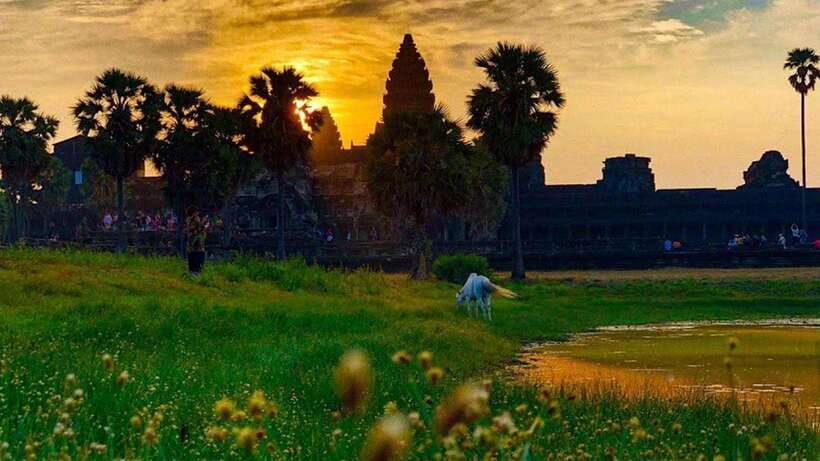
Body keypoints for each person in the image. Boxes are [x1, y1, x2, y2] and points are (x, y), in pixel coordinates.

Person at [186, 209, 209, 276]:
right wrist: (204, 224)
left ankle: (197, 271)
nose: (197, 215)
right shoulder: (190, 220)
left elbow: (201, 229)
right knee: (194, 254)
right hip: (194, 243)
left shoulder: (196, 220)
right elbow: (196, 230)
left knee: (199, 253)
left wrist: (204, 225)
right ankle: (194, 271)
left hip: (198, 245)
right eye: (196, 213)